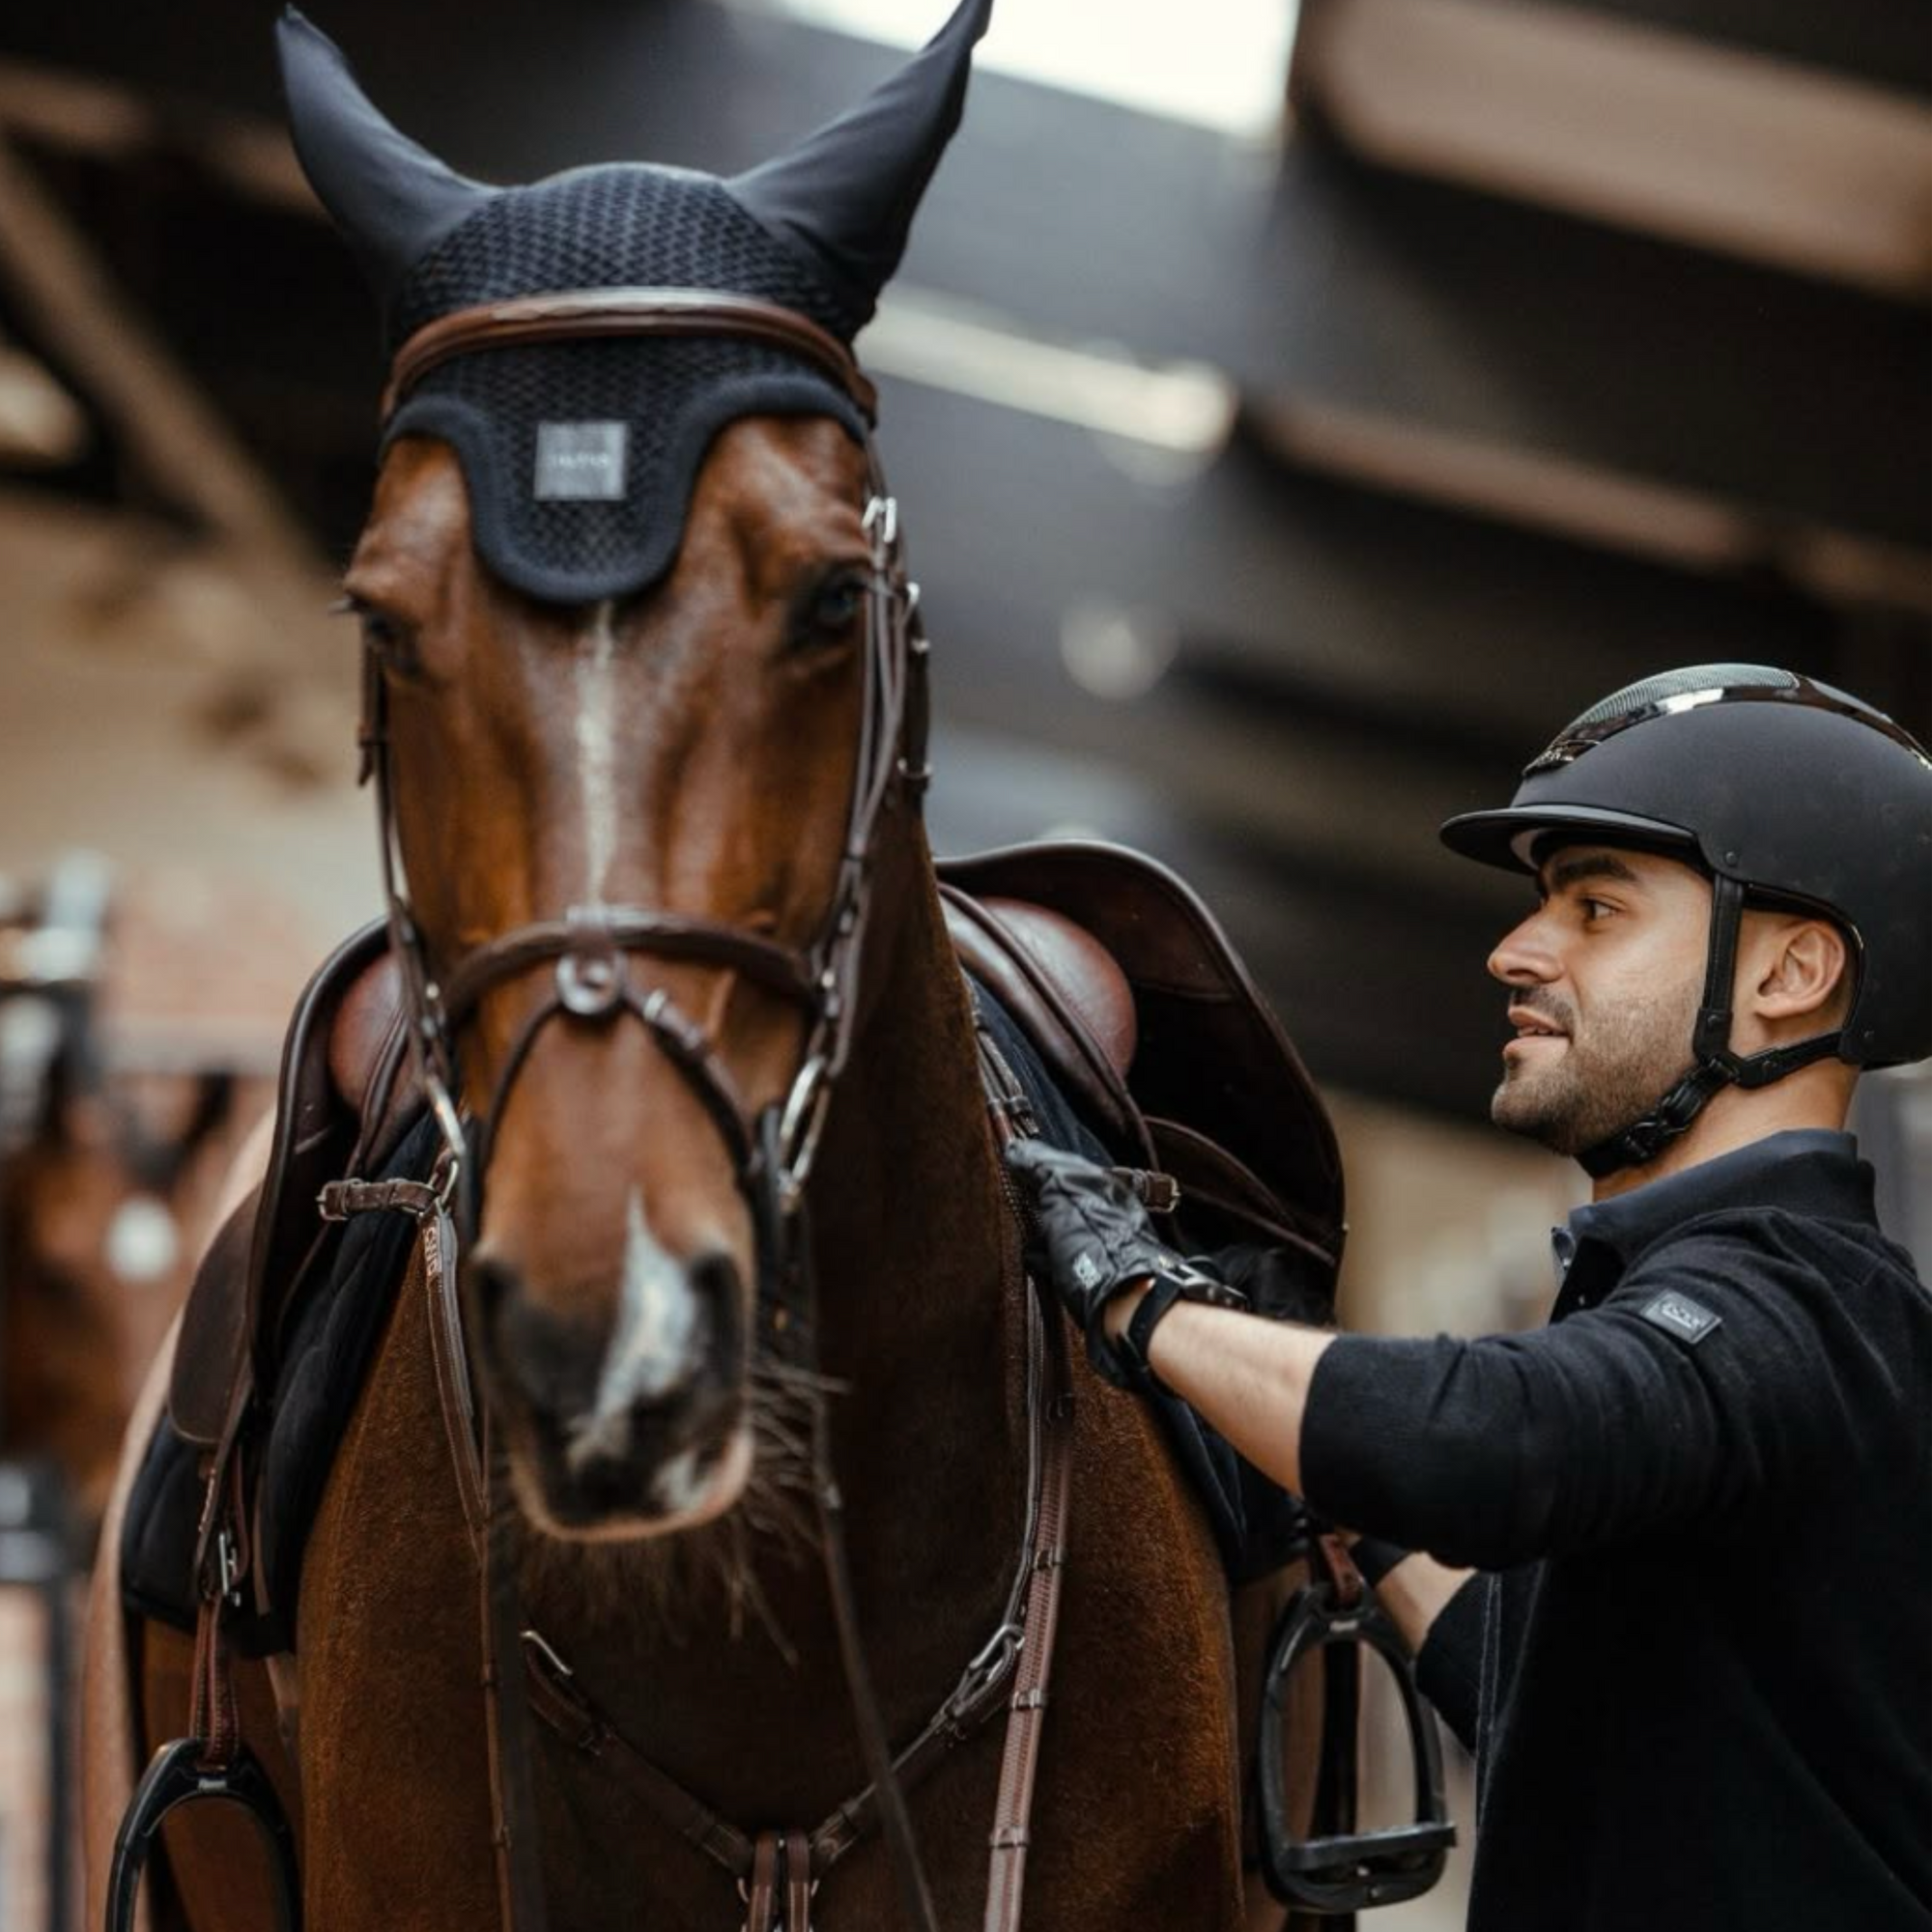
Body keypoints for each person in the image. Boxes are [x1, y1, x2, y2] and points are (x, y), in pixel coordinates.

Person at [1008, 664, 1932, 1932]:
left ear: (1789, 976)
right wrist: (1319, 1455)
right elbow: (1520, 1679)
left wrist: (1137, 1295)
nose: (1513, 949)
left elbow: (1486, 1443)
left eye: (1597, 910)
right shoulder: (1700, 1300)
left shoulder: (1803, 1307)